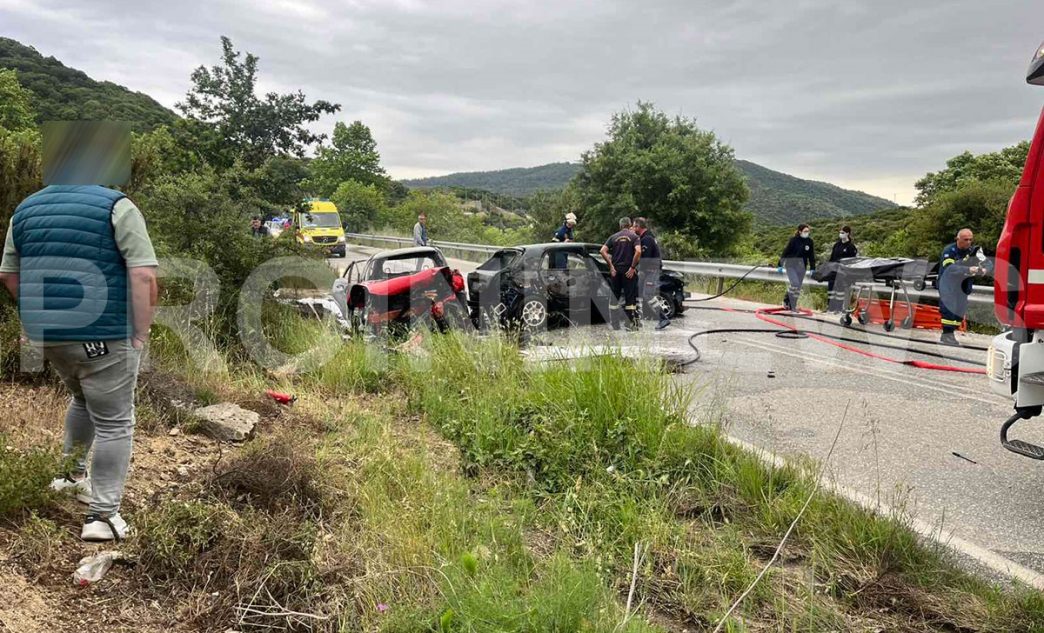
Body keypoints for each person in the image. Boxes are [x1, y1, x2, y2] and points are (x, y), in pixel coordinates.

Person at [0, 184, 158, 542]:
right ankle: (102, 516)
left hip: (50, 336)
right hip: (103, 334)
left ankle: (69, 479)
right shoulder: (117, 206)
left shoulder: (25, 206)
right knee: (116, 421)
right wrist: (141, 332)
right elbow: (144, 274)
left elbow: (9, 275)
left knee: (83, 399)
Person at [938, 228, 990, 346]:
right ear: (958, 239)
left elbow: (987, 263)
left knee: (959, 312)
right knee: (948, 311)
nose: (968, 242)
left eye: (970, 240)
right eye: (965, 240)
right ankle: (947, 336)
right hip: (948, 285)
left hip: (963, 286)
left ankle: (949, 334)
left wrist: (985, 270)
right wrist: (968, 269)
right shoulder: (949, 251)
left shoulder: (974, 251)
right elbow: (950, 268)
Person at [600, 217, 642, 331]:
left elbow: (602, 250)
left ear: (620, 226)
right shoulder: (634, 237)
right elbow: (638, 251)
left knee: (614, 298)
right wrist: (633, 267)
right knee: (630, 298)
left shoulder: (613, 237)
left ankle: (615, 325)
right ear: (629, 225)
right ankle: (631, 325)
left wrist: (611, 266)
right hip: (628, 271)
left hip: (616, 271)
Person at [633, 217, 670, 330]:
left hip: (651, 271)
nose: (633, 228)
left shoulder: (647, 239)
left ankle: (663, 318)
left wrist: (639, 269)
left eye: (634, 226)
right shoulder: (644, 237)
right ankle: (637, 320)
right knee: (638, 293)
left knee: (648, 294)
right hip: (647, 271)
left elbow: (646, 258)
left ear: (639, 227)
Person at [777, 224, 815, 311]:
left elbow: (811, 256)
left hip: (802, 267)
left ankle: (792, 306)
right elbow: (785, 252)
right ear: (800, 231)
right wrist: (780, 264)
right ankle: (786, 300)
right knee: (795, 283)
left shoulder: (810, 242)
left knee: (798, 288)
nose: (807, 233)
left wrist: (813, 267)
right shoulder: (793, 240)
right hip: (791, 265)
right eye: (805, 231)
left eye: (808, 231)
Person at [826, 225, 857, 313]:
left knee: (840, 290)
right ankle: (830, 307)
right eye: (840, 232)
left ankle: (838, 308)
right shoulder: (836, 245)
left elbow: (852, 261)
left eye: (842, 233)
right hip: (833, 270)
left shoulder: (851, 247)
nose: (841, 234)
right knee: (831, 289)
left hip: (843, 272)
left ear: (847, 233)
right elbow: (832, 257)